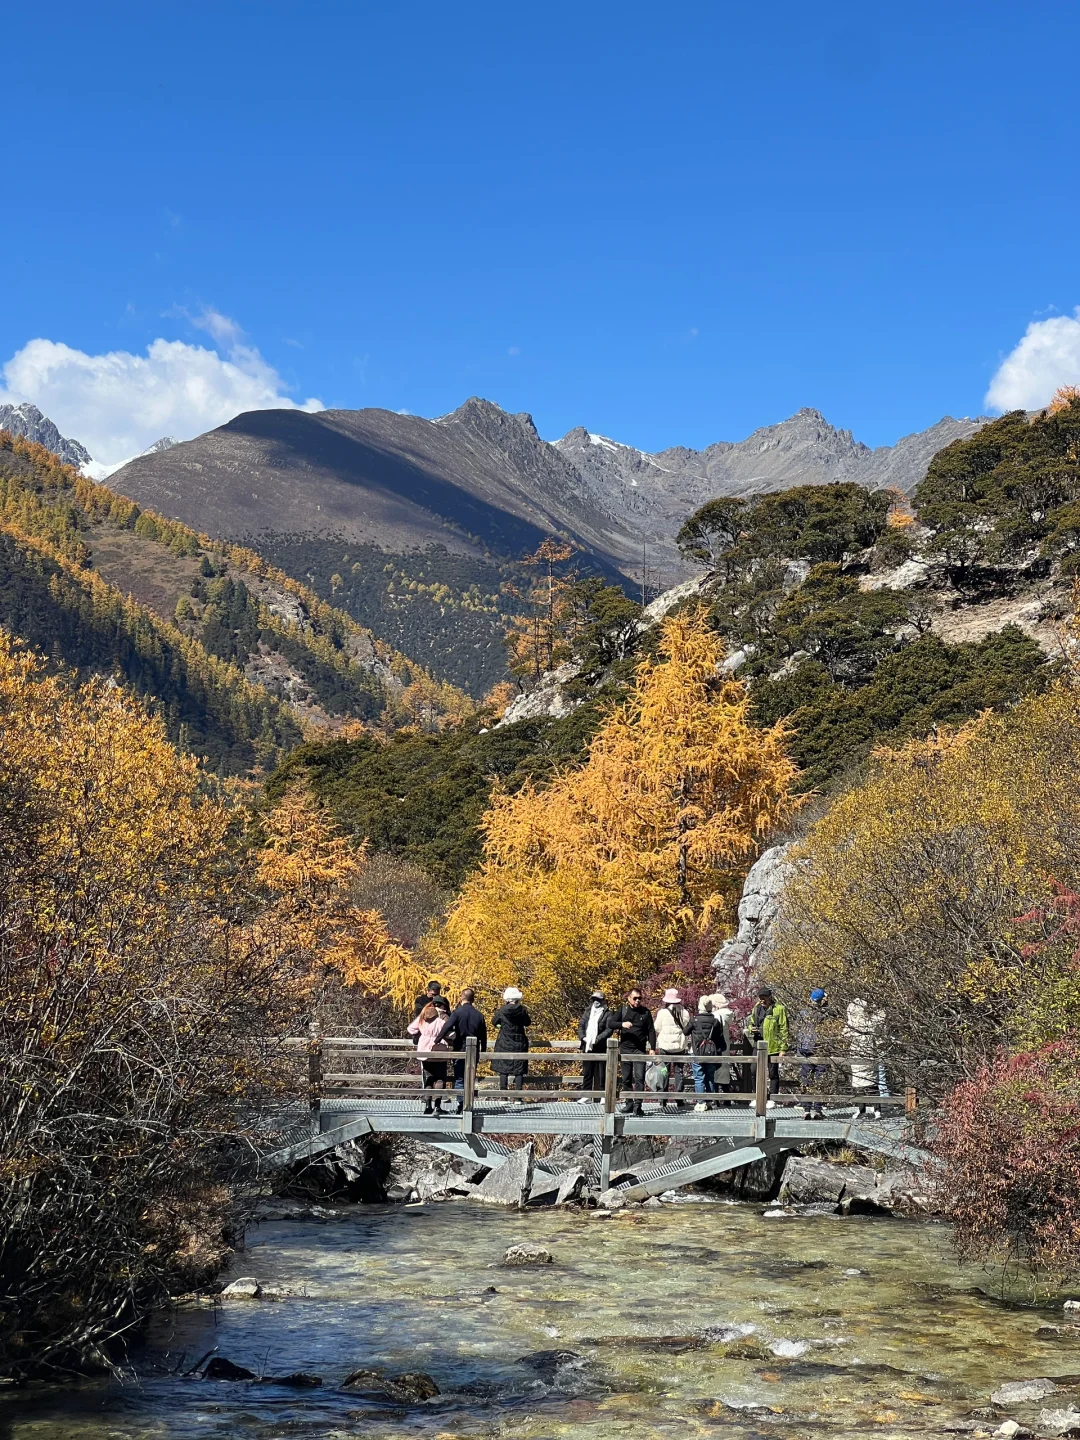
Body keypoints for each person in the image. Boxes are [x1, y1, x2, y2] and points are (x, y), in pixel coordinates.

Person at [601, 987, 656, 1115]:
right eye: (635, 998)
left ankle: (638, 1106)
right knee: (626, 1078)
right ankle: (629, 1103)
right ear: (629, 999)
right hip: (625, 1049)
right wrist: (622, 1024)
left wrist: (652, 1048)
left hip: (639, 1049)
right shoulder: (623, 1010)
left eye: (639, 998)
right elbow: (611, 1024)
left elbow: (651, 1031)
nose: (637, 1001)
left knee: (639, 1078)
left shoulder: (645, 1013)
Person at [435, 987, 488, 1112]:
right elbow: (483, 1035)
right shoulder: (479, 1015)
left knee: (459, 1078)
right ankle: (468, 1105)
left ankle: (460, 1104)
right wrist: (483, 1049)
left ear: (461, 997)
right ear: (473, 999)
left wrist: (437, 1040)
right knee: (470, 1078)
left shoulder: (457, 1013)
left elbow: (447, 1026)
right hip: (474, 1050)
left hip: (459, 1049)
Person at [407, 994, 452, 1114]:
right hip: (439, 1050)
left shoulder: (423, 1016)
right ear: (442, 1005)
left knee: (429, 1078)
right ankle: (437, 1106)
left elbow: (411, 1029)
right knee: (440, 1079)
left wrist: (421, 1034)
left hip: (424, 1050)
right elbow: (449, 1034)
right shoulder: (443, 1018)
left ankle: (428, 1106)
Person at [747, 985, 790, 1106]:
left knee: (773, 1073)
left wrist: (783, 1048)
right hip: (758, 1043)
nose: (762, 1000)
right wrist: (752, 1029)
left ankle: (772, 1098)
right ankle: (757, 1096)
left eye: (764, 997)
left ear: (770, 997)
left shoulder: (779, 1009)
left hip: (773, 1045)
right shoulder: (756, 1008)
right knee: (754, 1070)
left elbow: (784, 1028)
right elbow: (751, 1023)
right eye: (760, 997)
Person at [845, 997, 887, 1117]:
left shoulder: (867, 1021)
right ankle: (865, 1108)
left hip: (865, 1051)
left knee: (869, 1081)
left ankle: (875, 1109)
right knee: (861, 1082)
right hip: (860, 1052)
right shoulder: (861, 1021)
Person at [653, 987, 692, 1109]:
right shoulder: (684, 1012)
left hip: (665, 1046)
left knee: (664, 1071)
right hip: (679, 1046)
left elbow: (657, 1028)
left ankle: (663, 1099)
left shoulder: (662, 1013)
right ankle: (679, 1099)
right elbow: (686, 1027)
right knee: (678, 1072)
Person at [795, 987, 829, 1119]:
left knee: (806, 1079)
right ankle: (818, 1110)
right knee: (820, 1080)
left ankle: (806, 1110)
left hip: (804, 1050)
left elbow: (797, 1031)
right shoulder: (824, 1014)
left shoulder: (803, 1013)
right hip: (819, 1050)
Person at [491, 987, 531, 1096]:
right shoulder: (522, 1010)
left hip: (504, 1042)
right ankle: (518, 1098)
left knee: (503, 1070)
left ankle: (503, 1097)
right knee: (519, 1071)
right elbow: (527, 1023)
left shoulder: (502, 1010)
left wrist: (500, 1025)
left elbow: (494, 1021)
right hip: (519, 1043)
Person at [689, 997, 726, 1110]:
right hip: (711, 1053)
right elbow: (720, 1038)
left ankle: (700, 1102)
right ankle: (709, 1101)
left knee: (699, 1077)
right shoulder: (715, 1021)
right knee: (710, 1077)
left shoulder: (694, 1020)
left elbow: (685, 1032)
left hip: (697, 1052)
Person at [577, 990, 609, 1100]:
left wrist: (598, 1039)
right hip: (587, 1045)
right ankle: (586, 1095)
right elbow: (581, 1026)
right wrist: (583, 1037)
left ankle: (603, 1096)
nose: (596, 1001)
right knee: (587, 1072)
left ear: (603, 1000)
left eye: (599, 999)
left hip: (600, 1046)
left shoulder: (607, 1013)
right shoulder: (587, 1012)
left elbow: (609, 1029)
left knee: (602, 1073)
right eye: (594, 999)